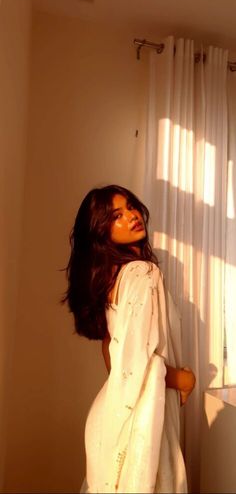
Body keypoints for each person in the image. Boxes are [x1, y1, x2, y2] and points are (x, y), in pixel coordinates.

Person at [62, 184, 195, 493]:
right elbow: (139, 363)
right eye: (116, 216)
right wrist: (184, 379)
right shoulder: (143, 273)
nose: (132, 216)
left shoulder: (113, 278)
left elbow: (114, 357)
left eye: (131, 207)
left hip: (112, 413)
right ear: (100, 231)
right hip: (141, 424)